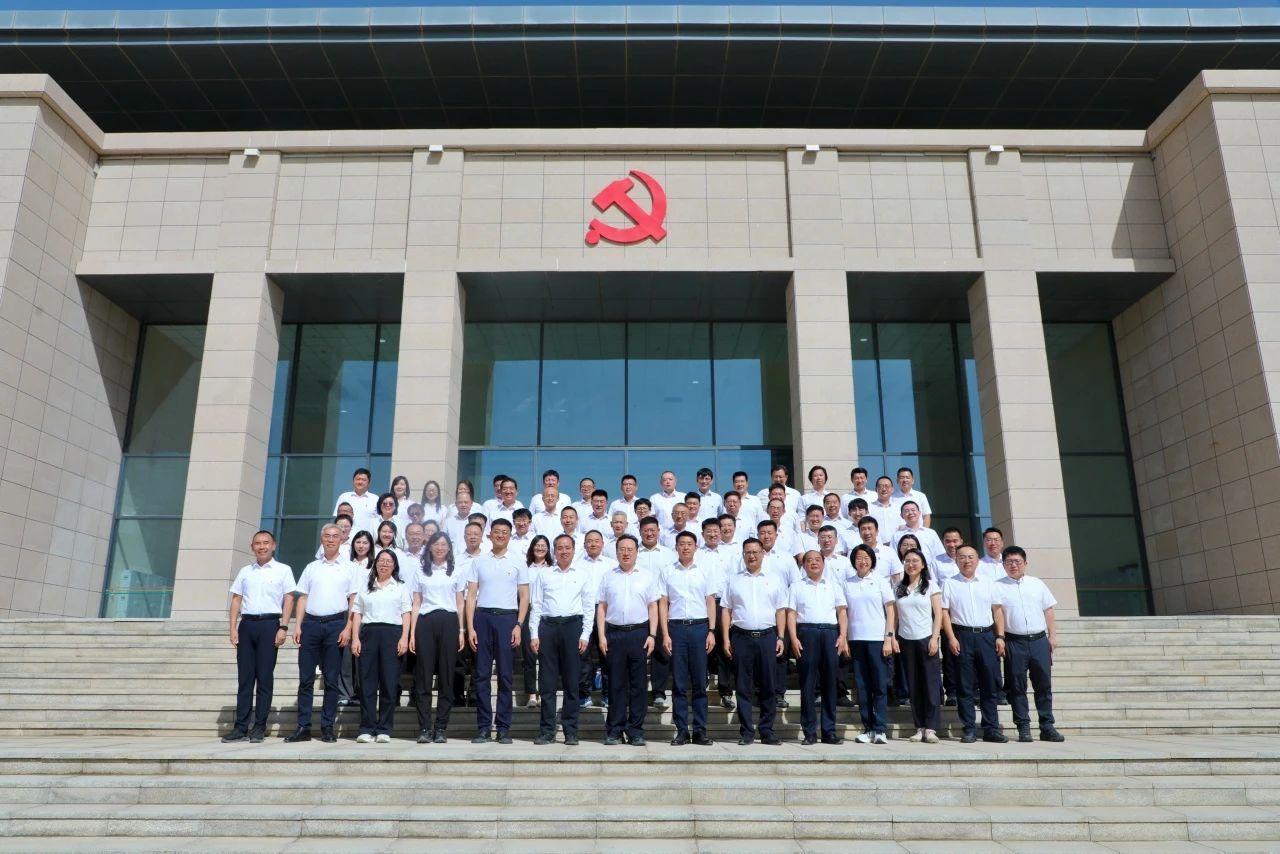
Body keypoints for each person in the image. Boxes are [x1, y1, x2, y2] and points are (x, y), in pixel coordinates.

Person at [223, 530, 295, 743]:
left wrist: (283, 627)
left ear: (273, 545)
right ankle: (240, 727)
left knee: (264, 678)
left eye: (266, 543)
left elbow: (289, 599)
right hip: (247, 625)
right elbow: (236, 599)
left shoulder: (283, 570)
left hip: (270, 625)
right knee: (245, 679)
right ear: (252, 547)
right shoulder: (245, 571)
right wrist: (233, 628)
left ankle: (259, 727)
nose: (262, 546)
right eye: (257, 543)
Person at [288, 523, 356, 744]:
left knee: (332, 680)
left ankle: (327, 727)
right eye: (327, 536)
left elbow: (353, 600)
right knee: (305, 679)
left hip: (336, 625)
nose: (331, 539)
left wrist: (348, 628)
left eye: (335, 536)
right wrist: (298, 625)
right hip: (311, 625)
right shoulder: (311, 567)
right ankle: (303, 727)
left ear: (341, 540)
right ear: (321, 539)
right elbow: (303, 597)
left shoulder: (349, 568)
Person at [465, 518, 529, 744]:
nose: (501, 535)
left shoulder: (518, 561)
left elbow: (524, 597)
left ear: (510, 536)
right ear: (490, 534)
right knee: (482, 675)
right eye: (497, 531)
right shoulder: (479, 561)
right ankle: (483, 727)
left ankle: (503, 728)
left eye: (505, 532)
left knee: (505, 676)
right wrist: (470, 627)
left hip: (507, 619)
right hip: (482, 618)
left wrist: (519, 625)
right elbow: (471, 596)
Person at [530, 534, 597, 745]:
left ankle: (570, 731)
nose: (564, 551)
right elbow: (536, 605)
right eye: (560, 548)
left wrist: (585, 634)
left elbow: (589, 607)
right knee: (547, 683)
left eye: (568, 547)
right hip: (548, 628)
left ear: (574, 550)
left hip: (573, 628)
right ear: (554, 551)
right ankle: (547, 730)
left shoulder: (583, 574)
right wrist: (534, 634)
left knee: (572, 683)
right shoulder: (544, 574)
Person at [722, 537, 787, 746]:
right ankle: (746, 732)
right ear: (743, 555)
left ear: (763, 554)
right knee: (743, 686)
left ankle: (767, 730)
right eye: (748, 552)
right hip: (741, 637)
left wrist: (781, 637)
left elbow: (781, 610)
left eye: (755, 552)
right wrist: (726, 638)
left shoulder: (775, 579)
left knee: (768, 685)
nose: (752, 556)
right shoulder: (733, 580)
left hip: (768, 637)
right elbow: (726, 610)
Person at [942, 544, 1008, 744]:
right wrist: (951, 638)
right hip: (962, 636)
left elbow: (997, 611)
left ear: (978, 560)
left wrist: (1000, 636)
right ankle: (969, 729)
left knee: (989, 683)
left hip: (986, 636)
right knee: (965, 685)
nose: (967, 561)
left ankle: (991, 729)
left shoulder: (988, 583)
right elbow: (944, 612)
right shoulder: (949, 583)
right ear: (956, 560)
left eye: (971, 557)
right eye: (962, 557)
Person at [597, 535, 660, 745]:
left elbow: (653, 607)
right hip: (614, 634)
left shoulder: (647, 576)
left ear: (636, 552)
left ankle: (635, 731)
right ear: (616, 552)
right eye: (622, 549)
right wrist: (601, 636)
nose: (626, 553)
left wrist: (652, 635)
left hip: (639, 634)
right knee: (615, 684)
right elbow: (602, 607)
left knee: (638, 685)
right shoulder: (607, 576)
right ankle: (615, 730)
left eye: (630, 549)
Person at [998, 546, 1064, 743]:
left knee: (1043, 684)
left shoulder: (1037, 584)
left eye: (1017, 561)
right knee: (1017, 686)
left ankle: (1047, 726)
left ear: (1025, 563)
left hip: (1039, 641)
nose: (1013, 565)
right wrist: (999, 637)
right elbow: (997, 614)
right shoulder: (997, 586)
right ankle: (1023, 727)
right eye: (1009, 561)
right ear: (1003, 565)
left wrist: (1052, 636)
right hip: (1014, 642)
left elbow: (1048, 610)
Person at [659, 531, 718, 746]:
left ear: (696, 546)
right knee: (679, 683)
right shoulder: (667, 571)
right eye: (682, 544)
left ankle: (700, 730)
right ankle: (682, 730)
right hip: (676, 628)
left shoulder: (705, 570)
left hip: (700, 628)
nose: (685, 547)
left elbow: (710, 601)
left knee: (700, 682)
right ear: (676, 547)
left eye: (689, 544)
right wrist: (665, 634)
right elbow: (663, 603)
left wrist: (711, 631)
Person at [408, 532, 466, 744]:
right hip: (425, 622)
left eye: (444, 544)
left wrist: (461, 630)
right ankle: (425, 727)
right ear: (430, 547)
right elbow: (416, 604)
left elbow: (460, 603)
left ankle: (441, 727)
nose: (440, 547)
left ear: (449, 548)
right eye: (436, 544)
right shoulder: (421, 571)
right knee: (423, 676)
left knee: (447, 676)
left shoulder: (456, 571)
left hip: (449, 622)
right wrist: (412, 633)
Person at [787, 550, 848, 745]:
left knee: (830, 682)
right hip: (807, 633)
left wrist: (843, 636)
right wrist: (793, 638)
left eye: (817, 559)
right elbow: (791, 614)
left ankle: (829, 731)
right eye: (809, 560)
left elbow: (842, 612)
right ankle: (809, 732)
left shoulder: (833, 585)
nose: (813, 563)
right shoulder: (796, 586)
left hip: (830, 633)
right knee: (808, 683)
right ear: (804, 565)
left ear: (823, 563)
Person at [351, 548, 412, 743]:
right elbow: (357, 613)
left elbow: (406, 614)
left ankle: (384, 728)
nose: (384, 564)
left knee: (389, 682)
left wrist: (404, 638)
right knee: (367, 682)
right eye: (381, 560)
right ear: (375, 564)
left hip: (392, 634)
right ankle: (366, 728)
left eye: (388, 561)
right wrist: (355, 638)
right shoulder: (366, 586)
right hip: (368, 633)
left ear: (394, 566)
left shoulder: (400, 587)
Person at [843, 544, 897, 745]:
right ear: (853, 561)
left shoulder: (880, 581)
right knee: (862, 686)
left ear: (872, 560)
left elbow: (890, 611)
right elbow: (844, 612)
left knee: (879, 686)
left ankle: (881, 729)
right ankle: (868, 728)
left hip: (877, 639)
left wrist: (889, 637)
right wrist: (845, 638)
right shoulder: (847, 583)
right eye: (858, 557)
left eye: (866, 557)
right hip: (856, 639)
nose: (862, 561)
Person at [896, 548, 943, 743]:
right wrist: (893, 637)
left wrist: (934, 638)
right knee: (913, 685)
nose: (911, 564)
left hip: (926, 638)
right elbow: (895, 616)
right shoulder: (898, 587)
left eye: (915, 561)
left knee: (930, 685)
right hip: (906, 640)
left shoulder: (931, 586)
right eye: (907, 561)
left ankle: (931, 728)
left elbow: (938, 614)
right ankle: (919, 726)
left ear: (923, 564)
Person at [636, 516, 674, 709]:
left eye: (653, 530)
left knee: (660, 649)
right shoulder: (634, 552)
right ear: (640, 532)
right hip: (638, 605)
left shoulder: (669, 554)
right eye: (646, 530)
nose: (649, 533)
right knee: (639, 650)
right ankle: (638, 691)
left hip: (661, 604)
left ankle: (659, 691)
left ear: (659, 531)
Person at [521, 535, 553, 708]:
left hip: (547, 614)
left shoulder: (553, 569)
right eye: (537, 545)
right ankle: (532, 694)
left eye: (543, 545)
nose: (540, 548)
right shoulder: (525, 568)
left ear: (548, 549)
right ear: (532, 548)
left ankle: (545, 692)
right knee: (529, 655)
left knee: (546, 656)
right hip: (528, 611)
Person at [334, 467, 379, 535]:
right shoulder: (344, 497)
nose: (360, 482)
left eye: (363, 480)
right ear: (353, 481)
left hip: (366, 538)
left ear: (368, 483)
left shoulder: (375, 499)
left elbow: (378, 520)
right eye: (357, 479)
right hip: (345, 536)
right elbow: (336, 518)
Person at [866, 476, 901, 546]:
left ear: (892, 489)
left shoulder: (899, 508)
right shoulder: (868, 508)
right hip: (876, 546)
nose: (884, 489)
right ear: (876, 489)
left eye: (887, 486)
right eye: (881, 486)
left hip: (896, 545)